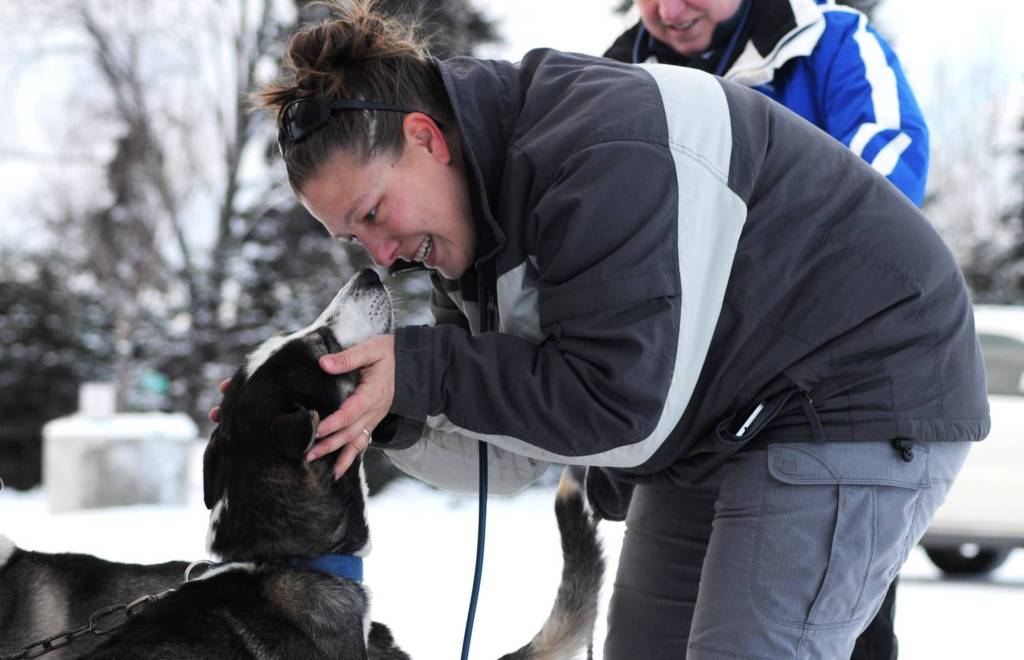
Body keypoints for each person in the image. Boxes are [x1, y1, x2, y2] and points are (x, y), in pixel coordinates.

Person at [238, 1, 990, 657]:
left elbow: (615, 406)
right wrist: (390, 413)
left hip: (855, 382)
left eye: (372, 214)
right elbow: (516, 451)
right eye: (352, 238)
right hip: (719, 418)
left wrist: (427, 369)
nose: (379, 254)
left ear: (426, 138)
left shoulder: (597, 150)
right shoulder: (477, 226)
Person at [605, 2, 930, 655]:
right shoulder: (618, 76)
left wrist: (742, 264)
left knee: (826, 631)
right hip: (695, 421)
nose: (669, 11)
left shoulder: (831, 44)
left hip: (836, 407)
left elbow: (885, 187)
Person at [605, 0, 929, 206]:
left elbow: (887, 179)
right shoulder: (613, 84)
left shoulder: (834, 40)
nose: (669, 12)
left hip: (809, 300)